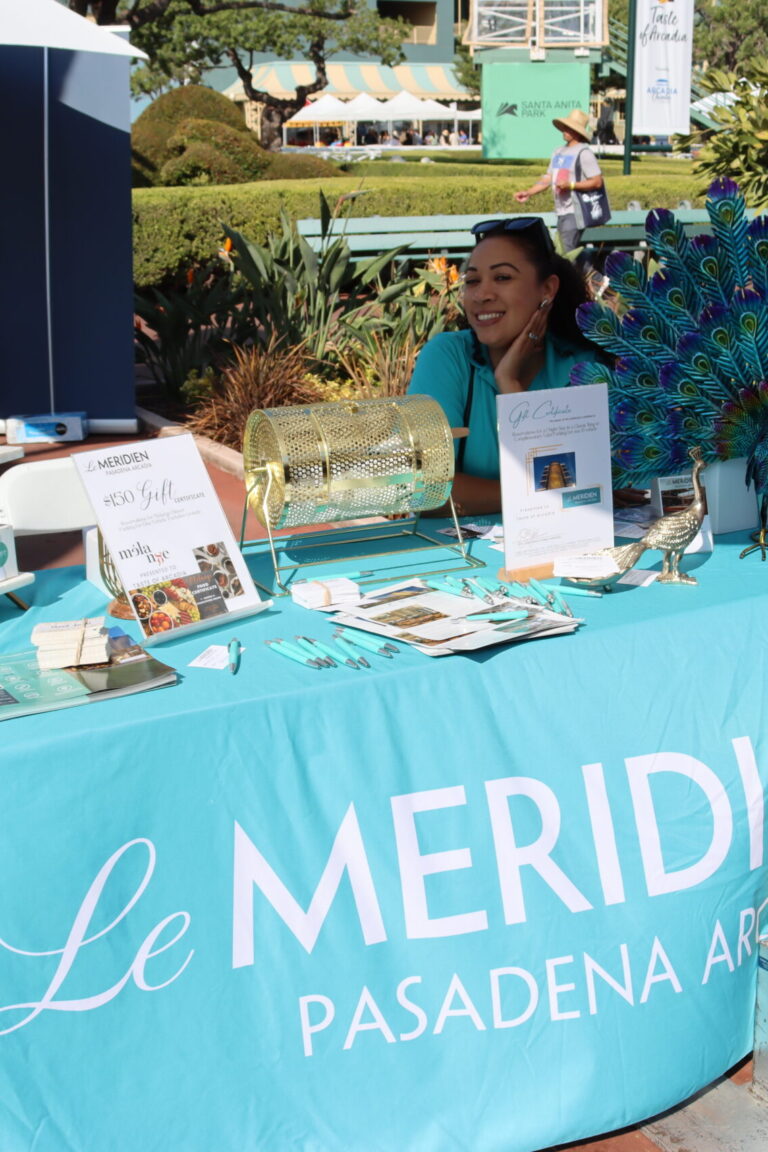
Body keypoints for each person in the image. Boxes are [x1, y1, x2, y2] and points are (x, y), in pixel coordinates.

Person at [407, 216, 599, 516]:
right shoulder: (447, 357)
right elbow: (424, 490)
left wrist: (510, 383)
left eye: (502, 278)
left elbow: (588, 489)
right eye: (472, 281)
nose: (482, 295)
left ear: (547, 289)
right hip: (455, 554)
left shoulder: (581, 368)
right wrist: (547, 494)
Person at [514, 108, 605, 254]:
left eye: (569, 128)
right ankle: (598, 277)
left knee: (565, 252)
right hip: (561, 211)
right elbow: (549, 177)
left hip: (575, 211)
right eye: (565, 127)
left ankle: (593, 277)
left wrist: (571, 185)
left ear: (577, 131)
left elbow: (597, 182)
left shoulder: (584, 153)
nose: (564, 130)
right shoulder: (558, 152)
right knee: (566, 252)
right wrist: (529, 192)